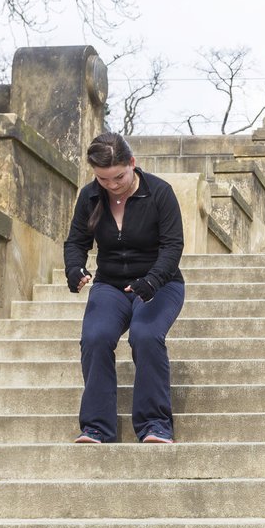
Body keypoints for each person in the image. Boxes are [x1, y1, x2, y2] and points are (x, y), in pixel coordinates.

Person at [63, 132, 185, 444]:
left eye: (118, 176)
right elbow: (76, 241)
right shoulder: (90, 196)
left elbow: (173, 247)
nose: (112, 185)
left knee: (145, 336)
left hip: (160, 283)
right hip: (111, 285)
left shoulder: (160, 193)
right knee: (96, 337)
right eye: (103, 179)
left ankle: (155, 425)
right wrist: (74, 268)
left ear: (132, 163)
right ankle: (97, 428)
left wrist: (152, 281)